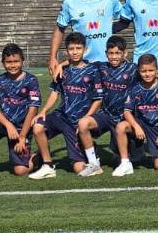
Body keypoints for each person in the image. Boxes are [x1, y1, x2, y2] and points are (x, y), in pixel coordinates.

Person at [29, 32, 103, 178]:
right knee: (37, 126)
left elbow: (98, 99)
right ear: (66, 51)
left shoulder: (93, 70)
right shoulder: (63, 70)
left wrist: (86, 118)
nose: (75, 52)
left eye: (78, 48)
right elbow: (55, 93)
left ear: (85, 49)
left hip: (77, 121)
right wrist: (43, 111)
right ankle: (47, 165)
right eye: (71, 49)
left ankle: (91, 153)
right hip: (62, 116)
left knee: (78, 168)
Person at [0, 43, 42, 179]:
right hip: (4, 122)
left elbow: (33, 110)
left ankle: (38, 156)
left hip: (22, 126)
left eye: (16, 61)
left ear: (23, 61)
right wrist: (8, 125)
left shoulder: (31, 80)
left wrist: (22, 136)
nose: (12, 65)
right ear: (3, 63)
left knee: (20, 171)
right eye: (8, 62)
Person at [47, 0, 123, 76]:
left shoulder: (110, 1)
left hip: (107, 62)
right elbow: (59, 29)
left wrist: (109, 29)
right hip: (81, 64)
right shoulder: (69, 3)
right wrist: (53, 57)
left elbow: (126, 18)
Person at [78, 36, 138, 175]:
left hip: (125, 117)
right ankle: (93, 164)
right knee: (83, 124)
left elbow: (152, 71)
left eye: (117, 53)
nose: (114, 56)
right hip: (106, 115)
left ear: (125, 53)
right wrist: (61, 65)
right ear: (106, 54)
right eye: (111, 53)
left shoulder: (133, 68)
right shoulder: (101, 66)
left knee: (124, 157)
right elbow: (80, 62)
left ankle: (131, 156)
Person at [114, 54, 158, 175]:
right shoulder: (135, 88)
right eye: (143, 71)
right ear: (138, 71)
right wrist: (136, 127)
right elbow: (127, 111)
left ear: (157, 71)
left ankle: (157, 153)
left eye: (151, 70)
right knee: (121, 126)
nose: (147, 74)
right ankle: (125, 162)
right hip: (140, 124)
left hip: (157, 127)